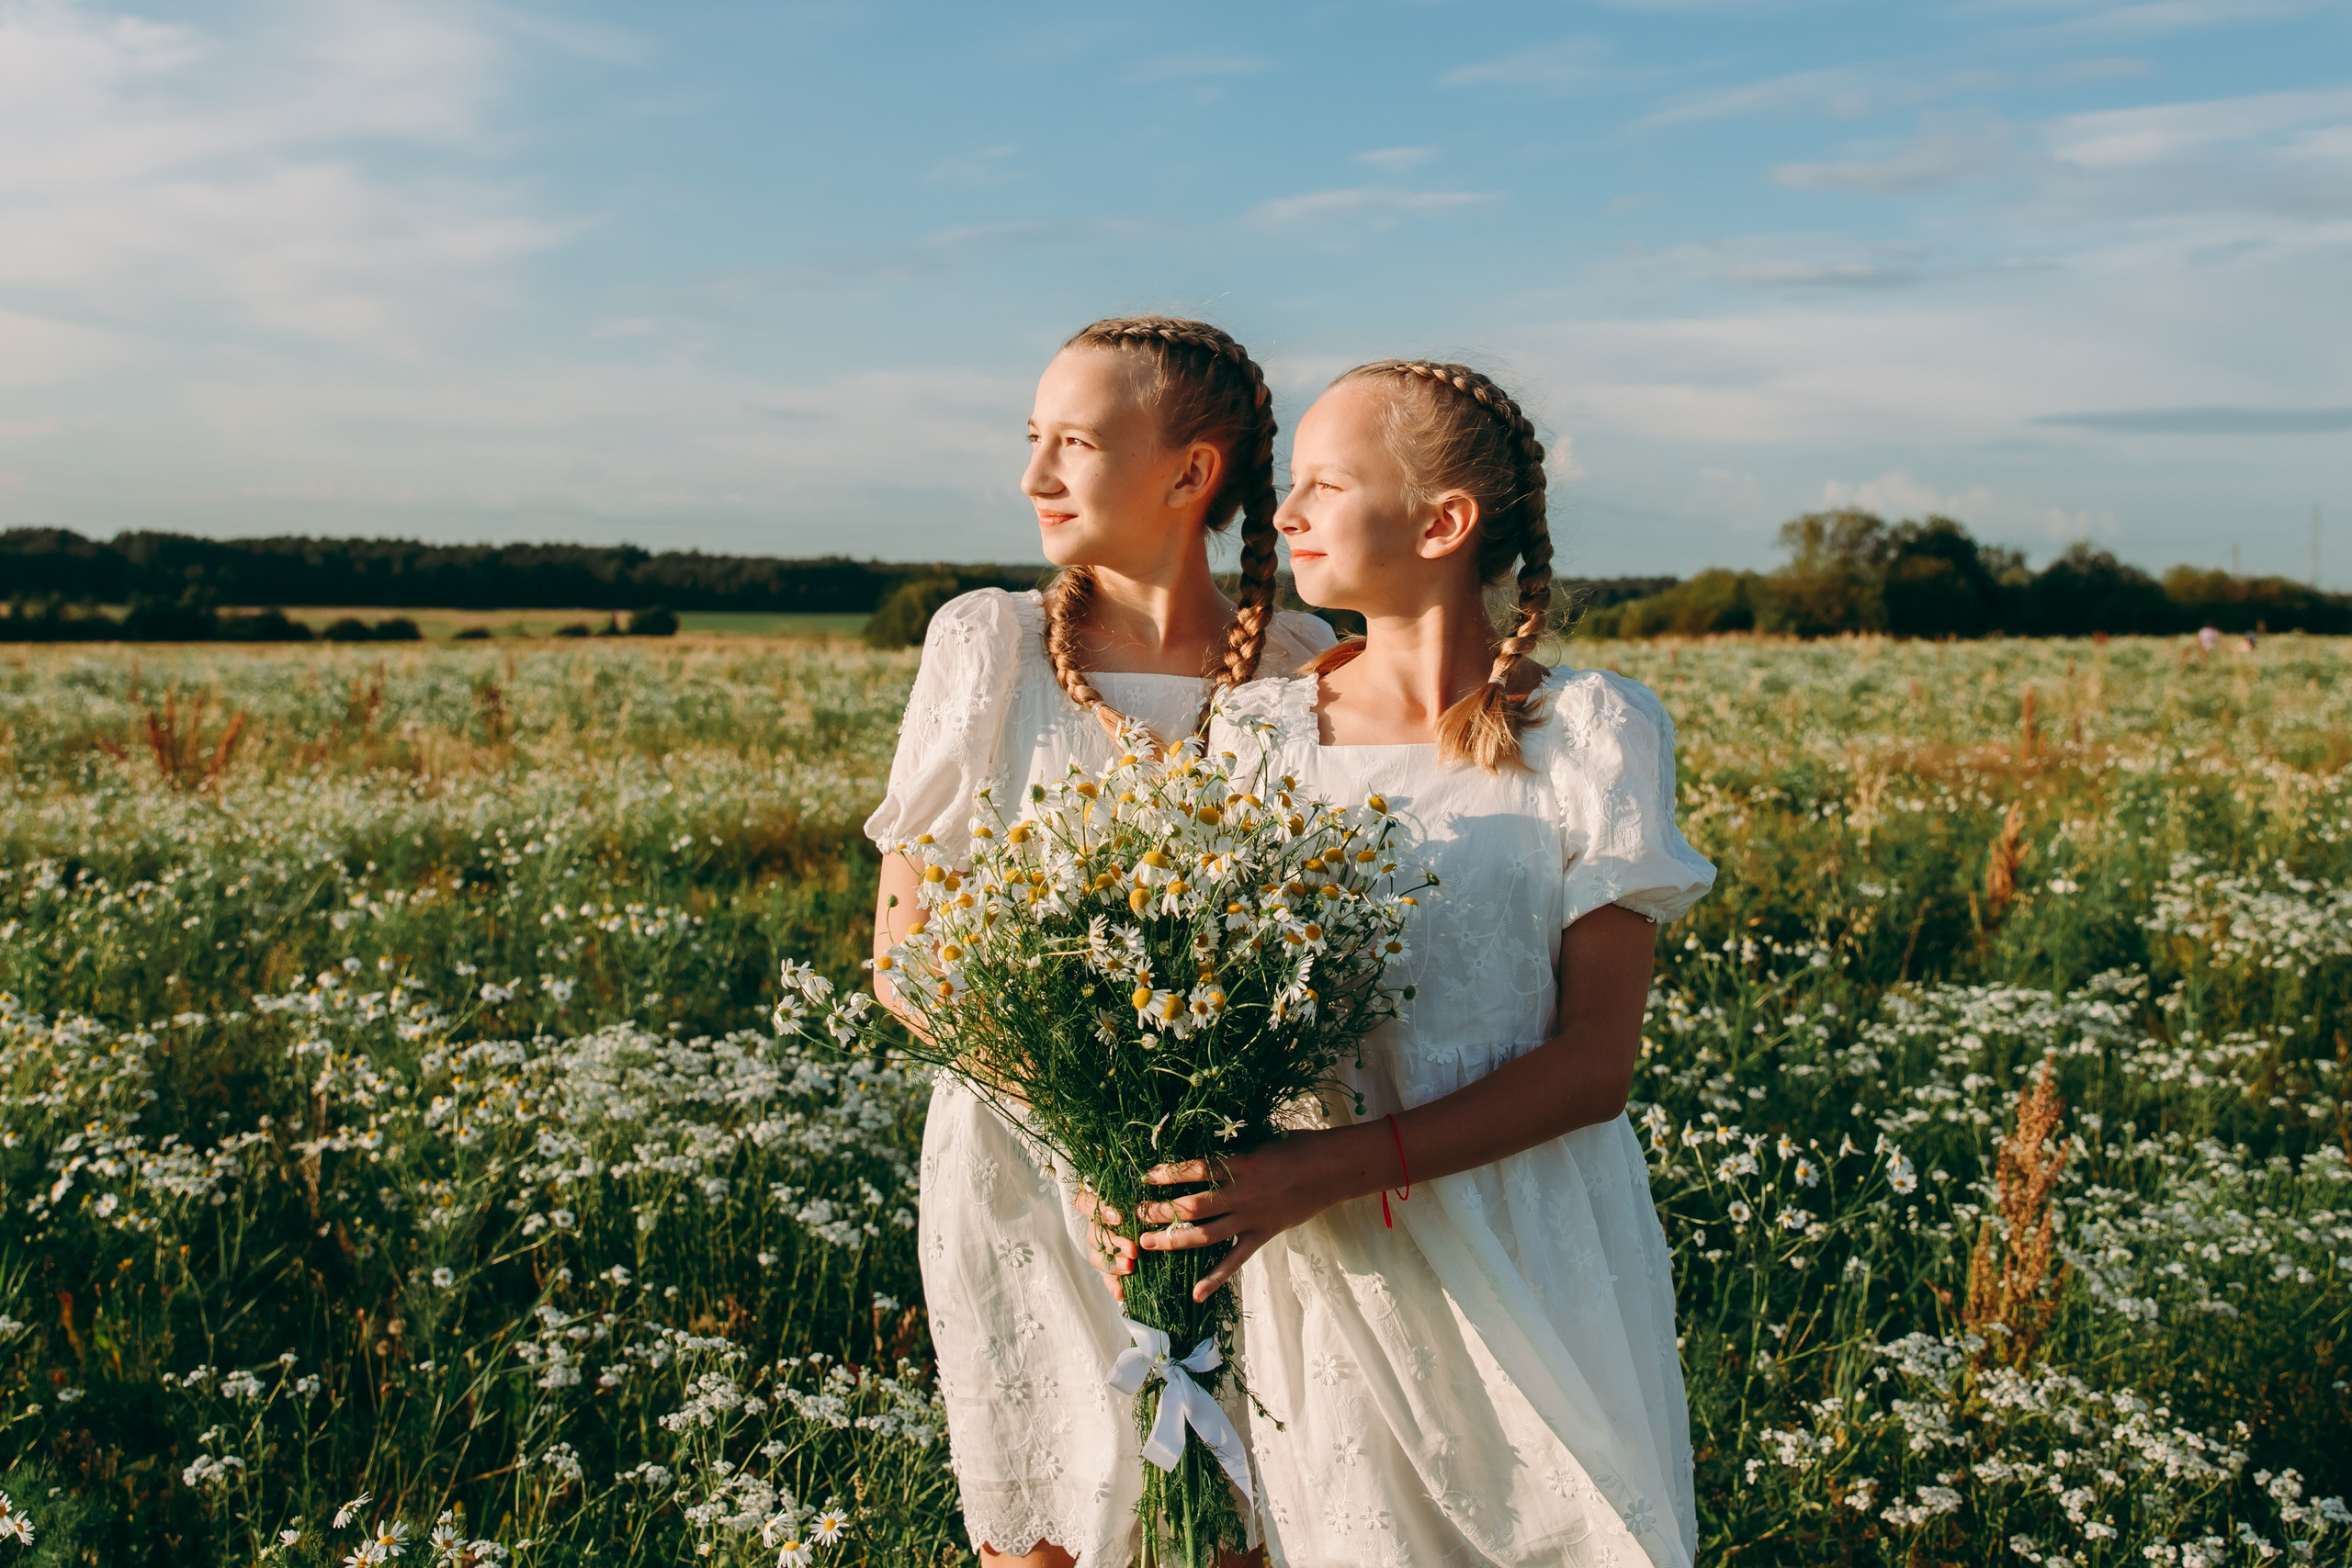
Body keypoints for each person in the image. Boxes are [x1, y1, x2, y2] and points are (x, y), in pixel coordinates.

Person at [1089, 360, 1715, 1567]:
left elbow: (1596, 1065)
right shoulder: (1258, 734)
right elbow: (1208, 1008)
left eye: (1325, 486)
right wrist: (1156, 1168)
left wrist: (1323, 1171)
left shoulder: (1589, 732)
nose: (1282, 513)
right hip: (1326, 1258)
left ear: (1441, 524)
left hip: (1526, 1232)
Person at [864, 316, 1338, 1567]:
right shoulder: (990, 645)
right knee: (1047, 1540)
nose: (1035, 475)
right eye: (1035, 439)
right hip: (1024, 1161)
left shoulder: (1301, 667)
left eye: (1074, 443)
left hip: (1230, 1187)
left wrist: (1192, 1164)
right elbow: (908, 959)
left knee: (1235, 1531)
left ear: (1192, 473)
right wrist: (1090, 1144)